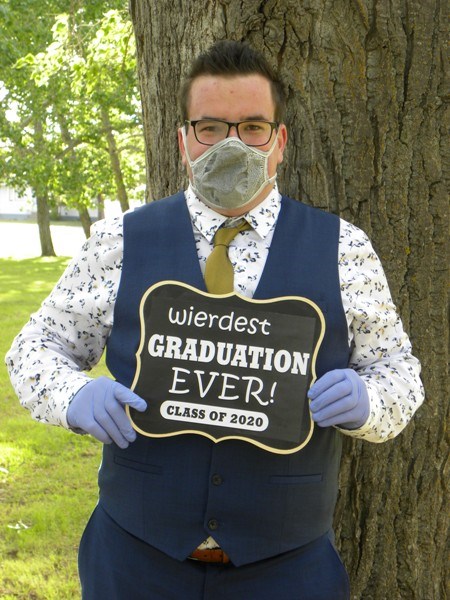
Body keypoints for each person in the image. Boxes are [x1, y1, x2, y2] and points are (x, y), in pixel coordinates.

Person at [6, 40, 424, 599]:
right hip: (134, 559)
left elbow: (399, 371)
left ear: (280, 142)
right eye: (210, 127)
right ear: (183, 141)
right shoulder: (120, 240)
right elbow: (36, 348)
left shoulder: (343, 249)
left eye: (253, 127)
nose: (232, 143)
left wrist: (372, 401)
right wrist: (72, 397)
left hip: (289, 568)